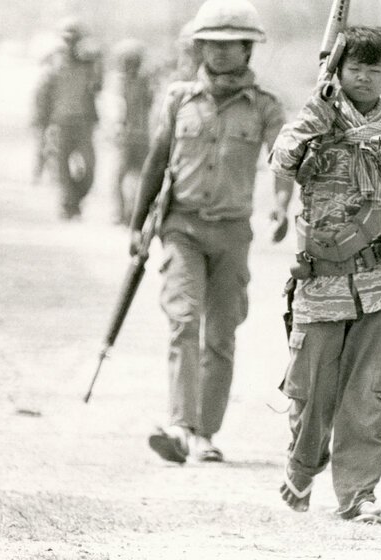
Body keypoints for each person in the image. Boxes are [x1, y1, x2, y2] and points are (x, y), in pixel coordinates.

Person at [129, 0, 293, 464]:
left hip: (232, 233)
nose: (219, 53)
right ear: (198, 46)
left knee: (221, 334)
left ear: (248, 49)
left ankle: (204, 432)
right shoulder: (178, 98)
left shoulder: (265, 106)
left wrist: (281, 206)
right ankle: (179, 426)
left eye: (230, 45)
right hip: (181, 227)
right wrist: (138, 224)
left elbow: (283, 162)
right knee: (183, 321)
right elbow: (156, 162)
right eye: (210, 44)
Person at [269, 26, 381, 524]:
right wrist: (314, 113)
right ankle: (302, 466)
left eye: (375, 69)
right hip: (320, 285)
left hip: (376, 286)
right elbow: (282, 161)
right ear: (338, 70)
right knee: (312, 394)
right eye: (354, 67)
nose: (364, 76)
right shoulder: (317, 121)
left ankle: (358, 494)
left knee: (368, 396)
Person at [33, 17, 104, 220]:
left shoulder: (89, 64)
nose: (70, 44)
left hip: (84, 123)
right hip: (61, 123)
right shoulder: (53, 64)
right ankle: (68, 204)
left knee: (89, 170)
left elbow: (99, 86)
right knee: (62, 170)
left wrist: (97, 62)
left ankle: (75, 199)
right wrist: (42, 123)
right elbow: (43, 95)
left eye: (75, 39)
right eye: (67, 39)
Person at [112, 38, 154, 225]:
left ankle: (135, 214)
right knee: (119, 178)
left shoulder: (146, 82)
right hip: (127, 139)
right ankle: (121, 212)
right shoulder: (119, 84)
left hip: (142, 138)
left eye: (132, 61)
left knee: (143, 179)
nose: (129, 65)